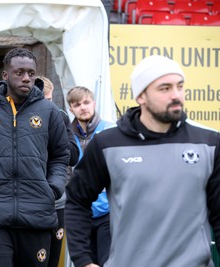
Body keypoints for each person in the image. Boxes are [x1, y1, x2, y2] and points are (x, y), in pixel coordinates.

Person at [65, 55, 220, 267]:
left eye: (180, 86)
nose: (176, 95)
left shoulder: (209, 144)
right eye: (164, 88)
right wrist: (83, 260)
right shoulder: (108, 144)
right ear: (141, 96)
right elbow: (77, 200)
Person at [0, 48, 70, 267]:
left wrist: (53, 188)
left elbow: (60, 156)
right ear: (5, 75)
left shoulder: (49, 112)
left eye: (31, 73)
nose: (26, 78)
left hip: (37, 214)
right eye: (19, 72)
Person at [66, 86, 112, 266]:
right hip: (80, 213)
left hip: (108, 212)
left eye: (86, 102)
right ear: (71, 109)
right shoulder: (66, 136)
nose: (83, 107)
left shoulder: (110, 130)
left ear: (94, 103)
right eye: (77, 104)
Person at [39, 76, 80, 267]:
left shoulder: (60, 116)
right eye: (44, 100)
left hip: (56, 202)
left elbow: (73, 156)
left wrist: (58, 132)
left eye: (49, 100)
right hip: (29, 203)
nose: (48, 105)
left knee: (53, 260)